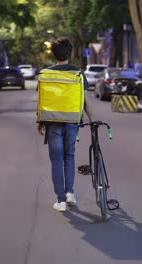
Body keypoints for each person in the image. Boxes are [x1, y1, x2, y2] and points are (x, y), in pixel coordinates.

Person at [37, 37, 93, 212]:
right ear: (71, 53)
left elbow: (41, 100)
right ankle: (70, 193)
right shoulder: (78, 73)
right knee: (69, 157)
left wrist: (40, 121)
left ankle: (60, 201)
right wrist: (91, 120)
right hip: (72, 122)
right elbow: (85, 101)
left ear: (54, 54)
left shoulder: (45, 73)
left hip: (53, 122)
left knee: (56, 161)